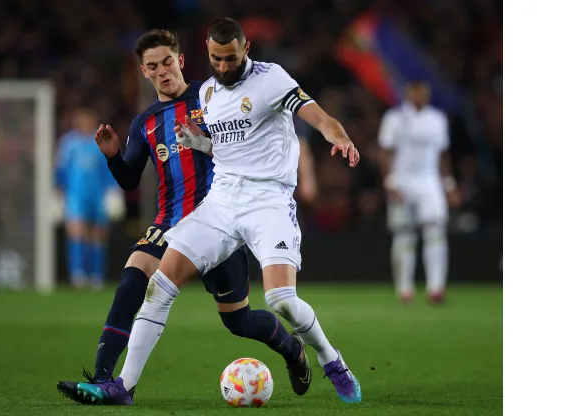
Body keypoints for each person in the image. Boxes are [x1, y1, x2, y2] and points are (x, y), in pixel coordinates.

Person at [87, 18, 363, 405]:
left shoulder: (271, 79)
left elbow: (315, 115)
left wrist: (338, 134)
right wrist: (198, 143)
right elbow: (226, 151)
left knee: (281, 299)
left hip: (268, 201)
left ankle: (330, 359)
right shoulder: (211, 94)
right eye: (215, 59)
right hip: (221, 201)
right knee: (158, 285)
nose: (222, 67)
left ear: (245, 49)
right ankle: (123, 386)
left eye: (229, 58)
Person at [377, 81, 461, 304]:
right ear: (407, 94)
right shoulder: (394, 118)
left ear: (427, 94)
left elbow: (443, 155)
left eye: (422, 93)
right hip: (402, 181)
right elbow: (385, 152)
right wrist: (390, 182)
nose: (418, 96)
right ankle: (405, 289)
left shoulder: (437, 119)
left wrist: (449, 185)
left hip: (429, 181)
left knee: (435, 231)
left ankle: (436, 288)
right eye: (414, 92)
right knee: (405, 233)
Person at [54, 108, 122, 289]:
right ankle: (78, 275)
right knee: (76, 232)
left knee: (98, 235)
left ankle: (96, 276)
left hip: (98, 196)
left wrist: (113, 191)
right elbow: (60, 171)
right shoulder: (67, 144)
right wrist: (58, 192)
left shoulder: (100, 142)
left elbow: (110, 168)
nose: (84, 123)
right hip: (75, 196)